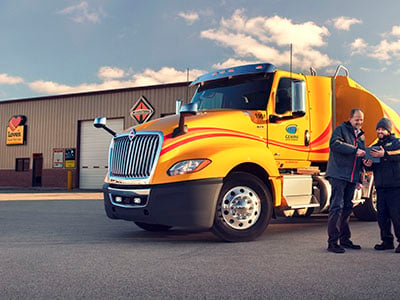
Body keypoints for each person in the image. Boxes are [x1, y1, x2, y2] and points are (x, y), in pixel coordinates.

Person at [325, 108, 366, 253]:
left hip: (351, 177)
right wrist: (355, 150)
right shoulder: (340, 130)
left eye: (361, 119)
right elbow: (334, 144)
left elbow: (361, 158)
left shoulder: (361, 136)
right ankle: (332, 243)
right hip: (338, 175)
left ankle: (345, 240)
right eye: (357, 119)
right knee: (337, 207)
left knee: (347, 208)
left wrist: (360, 178)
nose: (359, 122)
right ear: (350, 118)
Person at [364, 117, 400, 253]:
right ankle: (387, 241)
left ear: (388, 130)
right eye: (378, 129)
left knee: (397, 215)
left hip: (395, 186)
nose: (379, 131)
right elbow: (374, 166)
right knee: (382, 216)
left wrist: (385, 154)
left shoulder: (396, 143)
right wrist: (368, 164)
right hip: (380, 186)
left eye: (382, 129)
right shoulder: (375, 146)